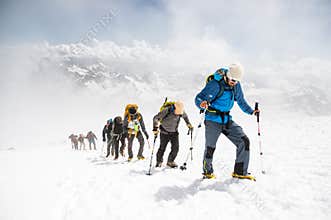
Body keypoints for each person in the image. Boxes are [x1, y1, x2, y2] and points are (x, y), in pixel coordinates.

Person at [195, 63, 260, 180]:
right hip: (212, 120)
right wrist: (201, 104)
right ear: (228, 75)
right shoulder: (215, 84)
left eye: (237, 81)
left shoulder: (236, 85)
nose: (234, 82)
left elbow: (241, 101)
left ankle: (240, 172)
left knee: (244, 141)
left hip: (226, 120)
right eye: (233, 80)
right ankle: (207, 172)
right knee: (210, 147)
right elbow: (198, 98)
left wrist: (251, 112)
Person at [153, 101, 193, 168]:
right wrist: (155, 128)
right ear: (174, 108)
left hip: (174, 132)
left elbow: (185, 117)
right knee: (162, 148)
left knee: (175, 148)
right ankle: (159, 161)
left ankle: (170, 161)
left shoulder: (181, 111)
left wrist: (188, 124)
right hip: (164, 132)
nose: (178, 114)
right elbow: (156, 118)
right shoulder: (167, 110)